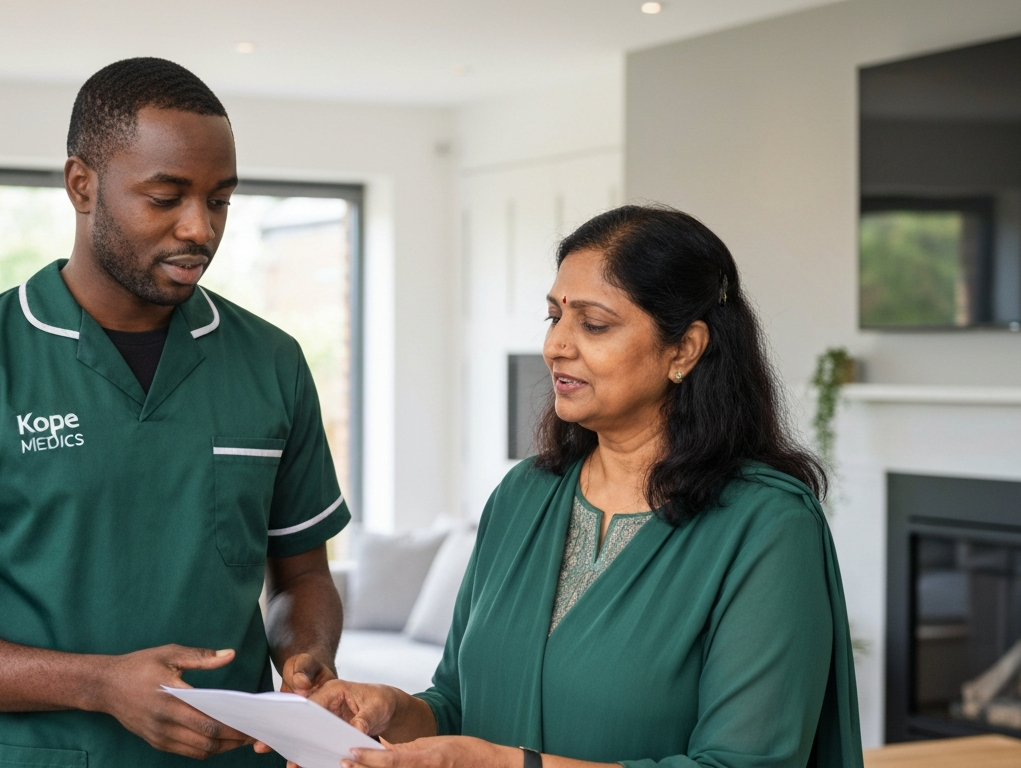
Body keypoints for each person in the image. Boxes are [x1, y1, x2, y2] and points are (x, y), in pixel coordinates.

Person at [0, 57, 349, 768]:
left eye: (220, 201)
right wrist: (98, 684)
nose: (199, 229)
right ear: (81, 185)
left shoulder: (272, 363)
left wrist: (307, 660)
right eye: (165, 197)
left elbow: (301, 578)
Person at [295, 206, 862, 768]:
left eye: (593, 324)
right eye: (554, 319)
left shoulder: (766, 525)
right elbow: (459, 704)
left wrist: (504, 765)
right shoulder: (523, 496)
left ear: (684, 350)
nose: (556, 346)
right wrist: (390, 711)